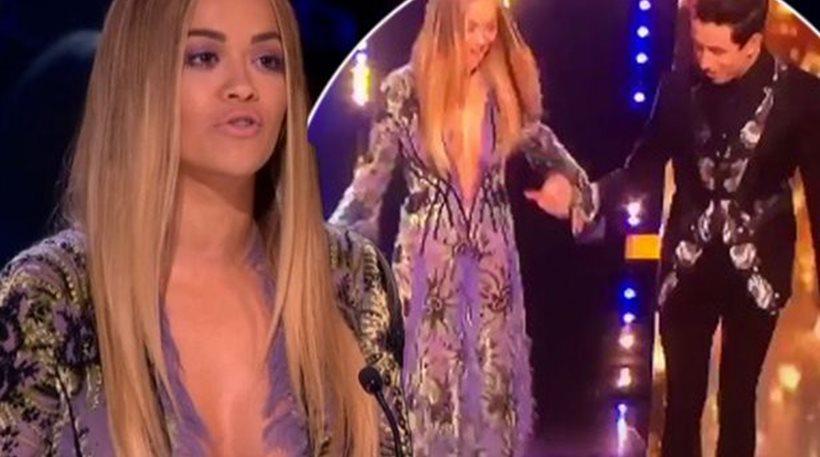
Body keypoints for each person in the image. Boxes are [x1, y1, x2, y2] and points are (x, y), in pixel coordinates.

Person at [0, 0, 411, 455]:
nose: (243, 87)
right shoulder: (50, 296)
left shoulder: (351, 277)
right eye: (204, 57)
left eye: (267, 60)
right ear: (140, 77)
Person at [543, 0, 820, 455]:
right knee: (681, 405)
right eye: (698, 47)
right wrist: (585, 197)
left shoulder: (801, 97)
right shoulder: (676, 88)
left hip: (759, 271)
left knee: (738, 400)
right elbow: (642, 167)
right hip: (687, 268)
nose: (704, 61)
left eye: (717, 50)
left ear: (752, 45)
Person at [329, 0, 595, 454]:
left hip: (493, 271)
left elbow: (565, 167)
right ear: (446, 26)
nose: (483, 40)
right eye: (472, 28)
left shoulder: (505, 91)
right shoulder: (403, 91)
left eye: (490, 28)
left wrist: (567, 188)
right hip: (427, 273)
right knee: (427, 402)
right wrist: (322, 250)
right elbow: (368, 186)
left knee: (491, 404)